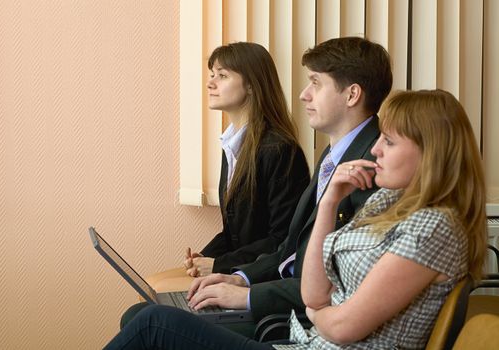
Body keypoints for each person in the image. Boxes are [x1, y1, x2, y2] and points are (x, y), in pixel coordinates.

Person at [104, 89, 487, 349]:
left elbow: (342, 325)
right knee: (145, 318)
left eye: (389, 140)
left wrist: (318, 312)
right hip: (304, 340)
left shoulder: (434, 228)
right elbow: (312, 292)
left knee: (152, 324)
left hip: (313, 343)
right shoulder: (389, 199)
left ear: (431, 154)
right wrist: (330, 200)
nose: (374, 148)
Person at [116, 36, 392, 335]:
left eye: (315, 83)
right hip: (282, 295)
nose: (303, 95)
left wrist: (246, 293)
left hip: (298, 320)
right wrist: (240, 278)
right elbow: (291, 249)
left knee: (147, 322)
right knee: (140, 315)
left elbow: (337, 280)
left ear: (352, 95)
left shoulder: (374, 167)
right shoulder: (333, 156)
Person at [183, 41, 310, 277]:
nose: (210, 83)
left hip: (261, 282)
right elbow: (235, 233)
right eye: (212, 75)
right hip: (237, 275)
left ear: (251, 85)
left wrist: (219, 265)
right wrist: (207, 256)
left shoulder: (280, 149)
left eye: (222, 75)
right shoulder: (232, 146)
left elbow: (282, 240)